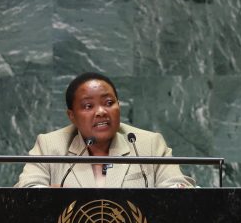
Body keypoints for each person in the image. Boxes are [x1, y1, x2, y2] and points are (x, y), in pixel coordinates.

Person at [15, 72, 195, 188]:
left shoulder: (148, 144)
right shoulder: (49, 146)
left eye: (109, 103)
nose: (101, 111)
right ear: (72, 116)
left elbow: (176, 185)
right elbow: (28, 188)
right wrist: (46, 196)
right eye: (88, 106)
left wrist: (177, 189)